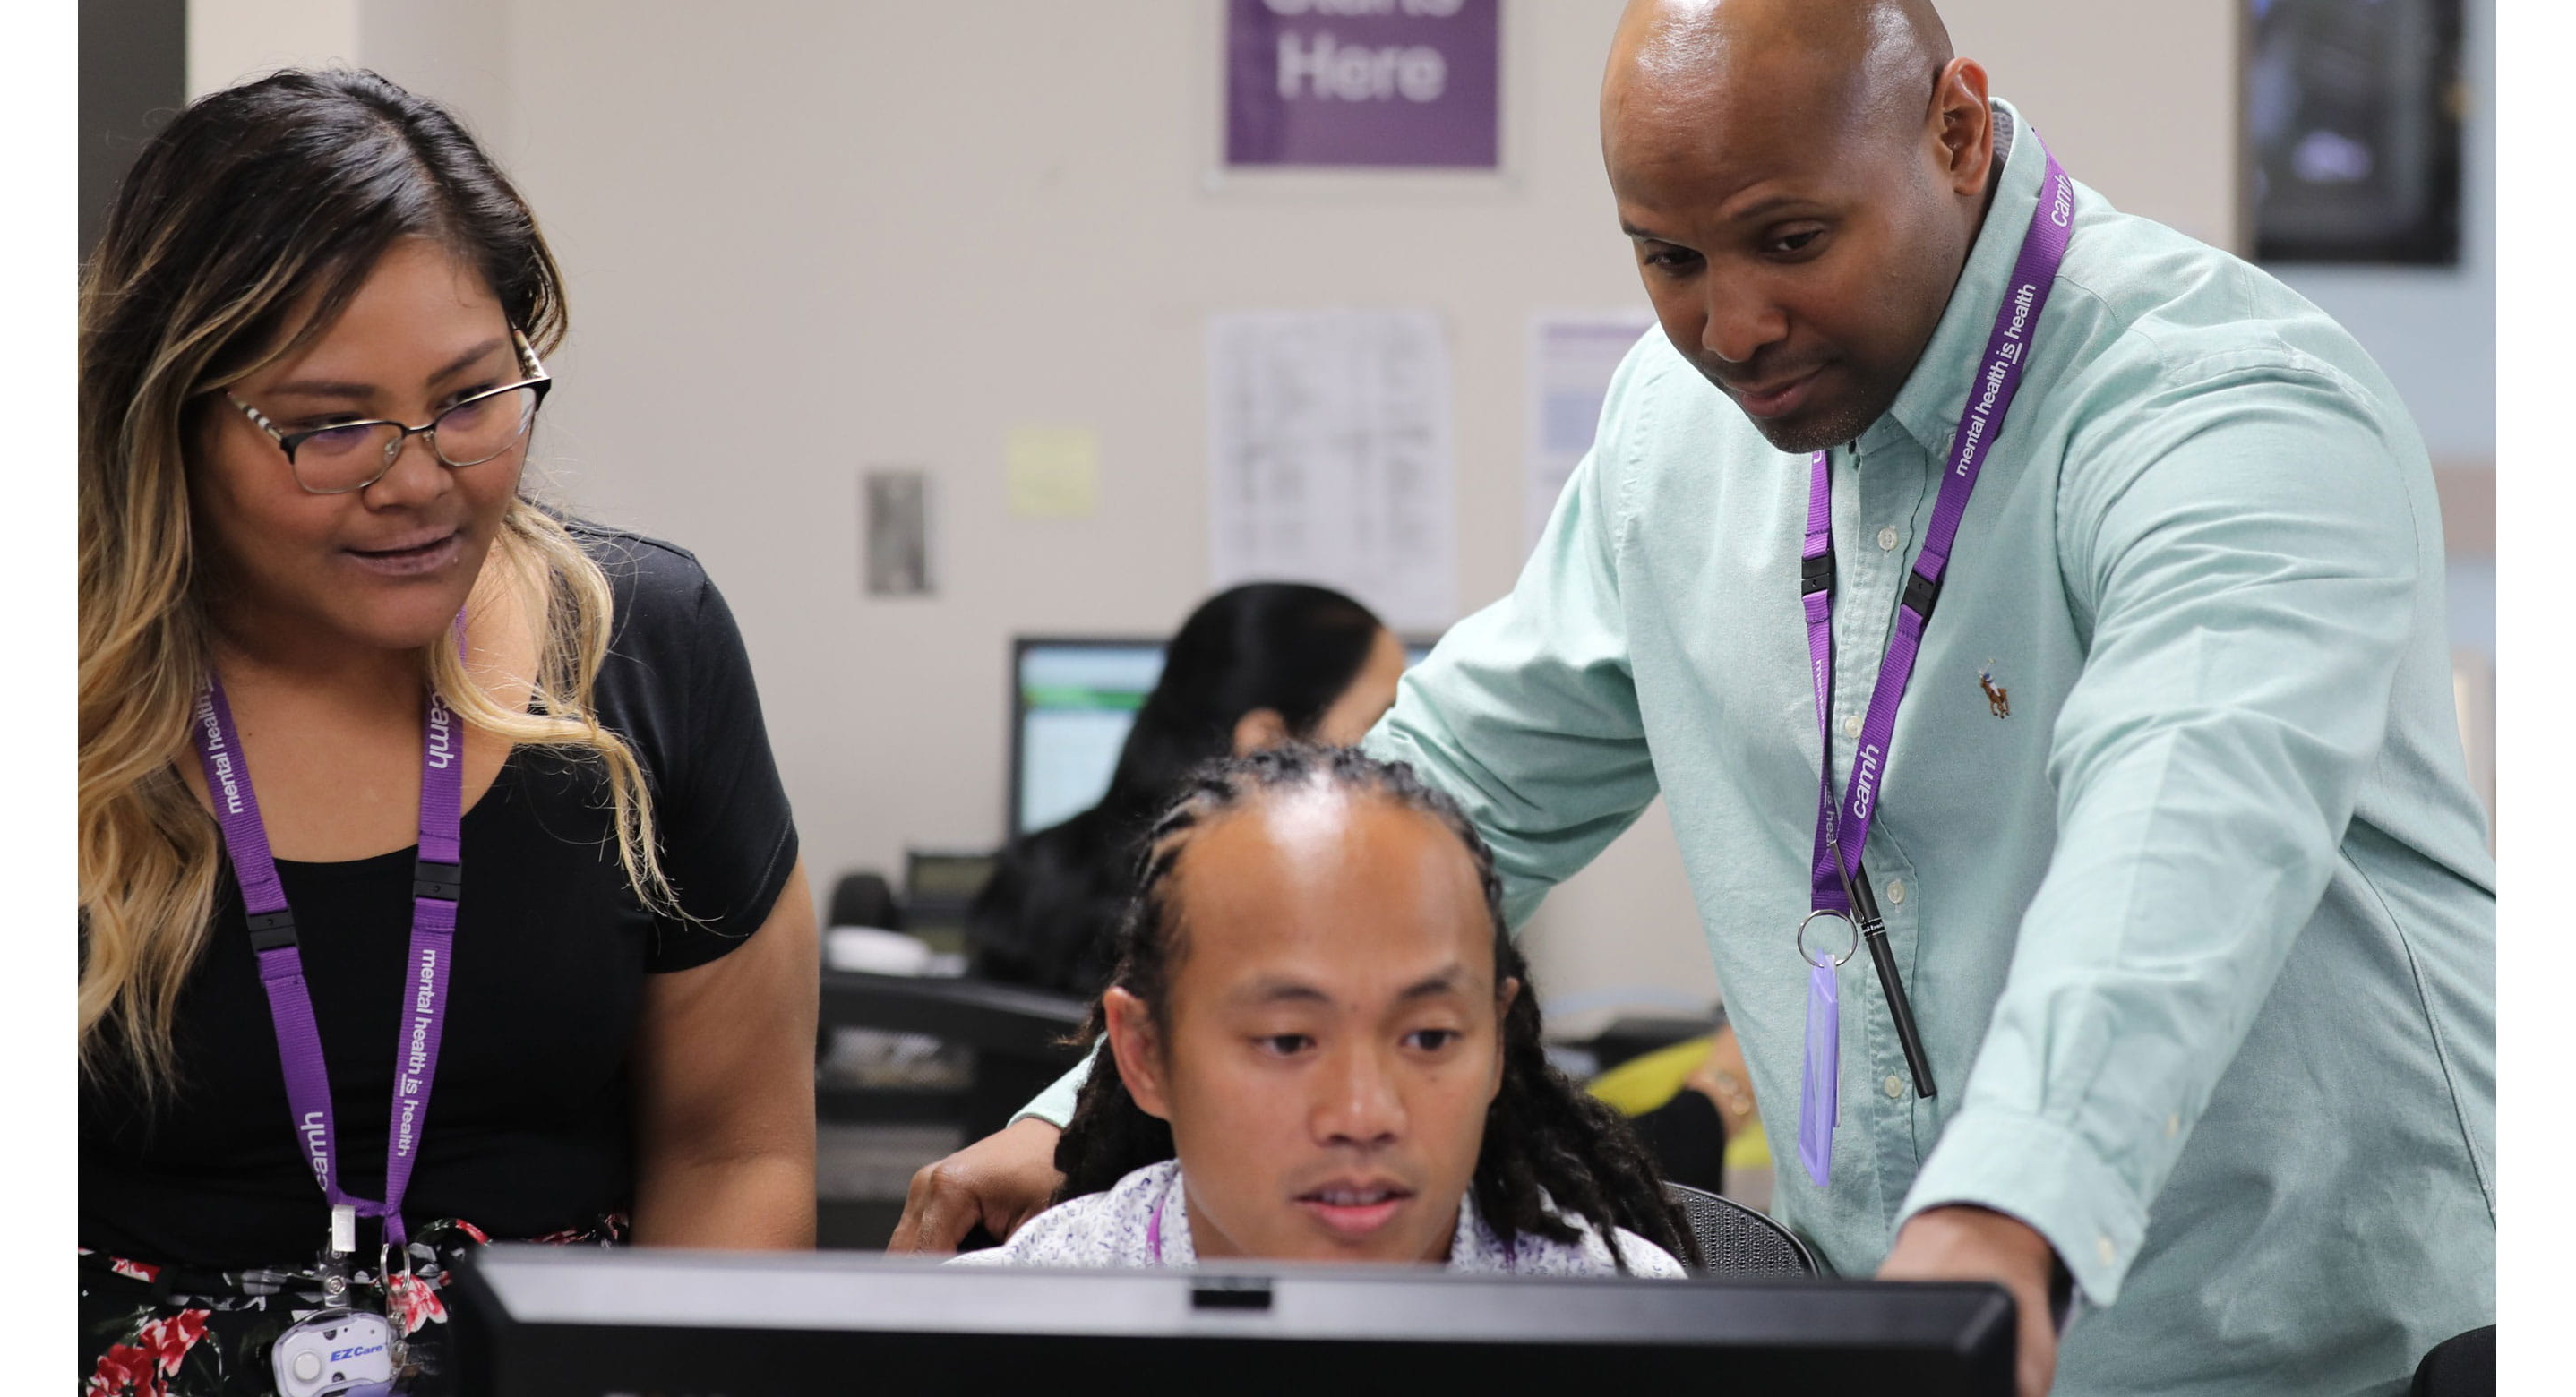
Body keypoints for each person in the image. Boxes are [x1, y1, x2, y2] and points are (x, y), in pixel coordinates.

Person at [893, 4, 2496, 1393]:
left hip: (2324, 1344)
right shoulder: (1680, 430)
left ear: (1951, 130)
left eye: (1791, 240)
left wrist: (2010, 1205)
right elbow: (1449, 789)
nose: (1731, 327)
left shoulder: (2222, 405)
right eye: (1668, 258)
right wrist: (1092, 1119)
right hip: (1908, 1331)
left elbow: (2185, 836)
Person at [78, 71, 819, 1394]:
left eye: (471, 400)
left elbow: (733, 1157)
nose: (416, 478)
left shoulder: (645, 647)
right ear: (173, 420)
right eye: (331, 426)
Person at [955, 745, 1691, 1276]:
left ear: (1497, 1042)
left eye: (1430, 1036)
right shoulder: (1005, 1335)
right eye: (1286, 1041)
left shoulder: (1628, 1324)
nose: (1365, 1113)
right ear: (1146, 1055)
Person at [967, 583, 1407, 996]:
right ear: (1269, 742)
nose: (1403, 750)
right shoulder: (1279, 924)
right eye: (1384, 720)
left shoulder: (1028, 880)